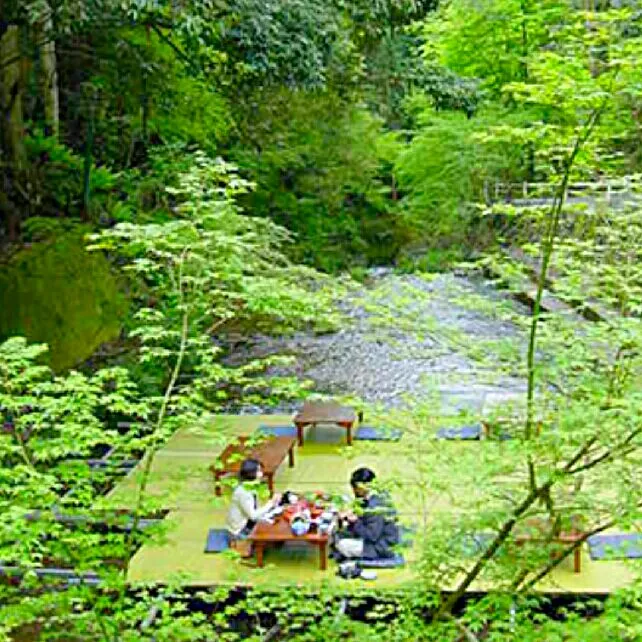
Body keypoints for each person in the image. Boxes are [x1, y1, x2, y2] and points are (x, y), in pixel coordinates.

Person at [334, 467, 399, 560]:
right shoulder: (374, 497)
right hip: (378, 539)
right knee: (341, 534)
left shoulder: (377, 505)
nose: (354, 491)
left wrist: (355, 521)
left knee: (342, 544)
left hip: (381, 547)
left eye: (355, 488)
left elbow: (372, 536)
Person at [226, 458, 281, 555]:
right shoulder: (244, 492)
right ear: (252, 473)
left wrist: (272, 505)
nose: (262, 473)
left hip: (247, 521)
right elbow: (253, 515)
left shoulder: (250, 487)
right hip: (240, 530)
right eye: (259, 471)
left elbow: (256, 508)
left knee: (275, 517)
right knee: (273, 527)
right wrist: (271, 503)